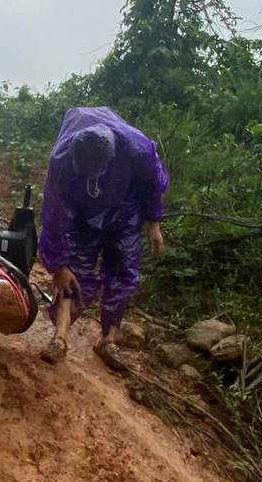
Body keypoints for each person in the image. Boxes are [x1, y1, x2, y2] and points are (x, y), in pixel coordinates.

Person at [38, 106, 169, 366]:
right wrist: (59, 264)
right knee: (71, 274)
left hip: (126, 210)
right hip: (81, 213)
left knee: (123, 273)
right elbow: (54, 213)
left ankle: (109, 341)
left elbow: (154, 183)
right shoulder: (62, 160)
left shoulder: (137, 149)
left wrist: (153, 223)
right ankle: (60, 338)